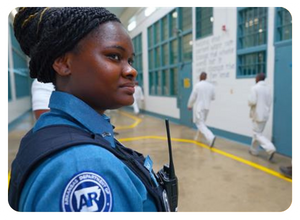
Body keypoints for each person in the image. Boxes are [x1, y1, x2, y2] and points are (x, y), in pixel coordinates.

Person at [9, 7, 172, 212]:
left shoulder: (53, 132)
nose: (132, 70)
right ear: (63, 63)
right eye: (114, 56)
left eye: (130, 60)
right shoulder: (84, 167)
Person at [248, 73, 276, 161]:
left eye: (256, 77)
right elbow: (269, 102)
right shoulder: (268, 89)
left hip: (257, 114)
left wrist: (248, 102)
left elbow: (252, 101)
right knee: (257, 133)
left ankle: (270, 148)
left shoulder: (255, 88)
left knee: (257, 134)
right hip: (265, 115)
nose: (255, 78)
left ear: (258, 78)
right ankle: (253, 150)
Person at [187, 72, 216, 147]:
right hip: (207, 108)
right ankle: (198, 138)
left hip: (200, 107)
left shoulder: (198, 85)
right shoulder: (211, 86)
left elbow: (193, 97)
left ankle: (211, 137)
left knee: (199, 123)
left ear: (200, 77)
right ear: (206, 77)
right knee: (202, 123)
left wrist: (190, 105)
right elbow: (213, 97)